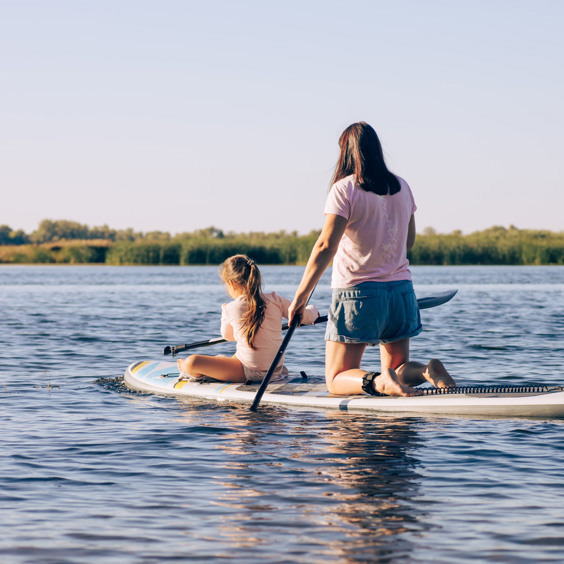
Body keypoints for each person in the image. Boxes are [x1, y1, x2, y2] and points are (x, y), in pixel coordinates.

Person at [288, 122, 455, 397]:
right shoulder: (402, 186)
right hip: (401, 292)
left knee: (337, 378)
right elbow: (408, 242)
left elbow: (325, 246)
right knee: (398, 368)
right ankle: (426, 370)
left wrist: (300, 298)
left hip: (358, 294)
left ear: (346, 153)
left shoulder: (344, 189)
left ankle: (379, 382)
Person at [177, 254, 320, 383]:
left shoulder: (230, 308)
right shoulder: (276, 300)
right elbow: (306, 318)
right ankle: (217, 363)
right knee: (226, 358)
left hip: (245, 372)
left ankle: (186, 367)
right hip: (275, 371)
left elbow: (227, 336)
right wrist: (313, 310)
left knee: (192, 361)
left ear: (231, 283)